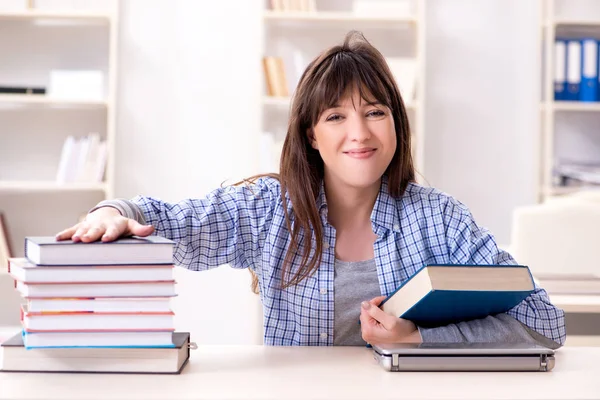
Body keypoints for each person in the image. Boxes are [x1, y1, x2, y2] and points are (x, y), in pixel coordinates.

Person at [56, 31, 565, 348]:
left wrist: (418, 338)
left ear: (396, 125)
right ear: (311, 135)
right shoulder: (268, 210)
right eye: (336, 116)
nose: (360, 133)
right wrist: (112, 210)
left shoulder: (440, 219)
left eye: (375, 113)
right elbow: (168, 218)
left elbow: (544, 322)